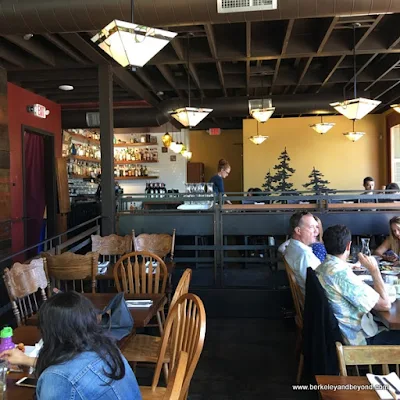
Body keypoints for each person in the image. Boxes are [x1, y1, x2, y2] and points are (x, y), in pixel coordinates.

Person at [0, 291, 141, 399]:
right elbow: (74, 367)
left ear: (50, 332)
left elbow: (66, 374)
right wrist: (26, 360)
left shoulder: (58, 379)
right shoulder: (106, 348)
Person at [316, 225, 400, 346]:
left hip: (336, 336)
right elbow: (385, 305)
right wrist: (374, 270)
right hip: (358, 341)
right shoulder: (341, 275)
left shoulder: (323, 267)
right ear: (348, 246)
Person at [283, 211, 321, 294]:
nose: (316, 231)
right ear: (298, 231)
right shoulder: (304, 254)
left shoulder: (291, 246)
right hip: (316, 302)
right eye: (311, 227)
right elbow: (317, 286)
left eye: (316, 227)